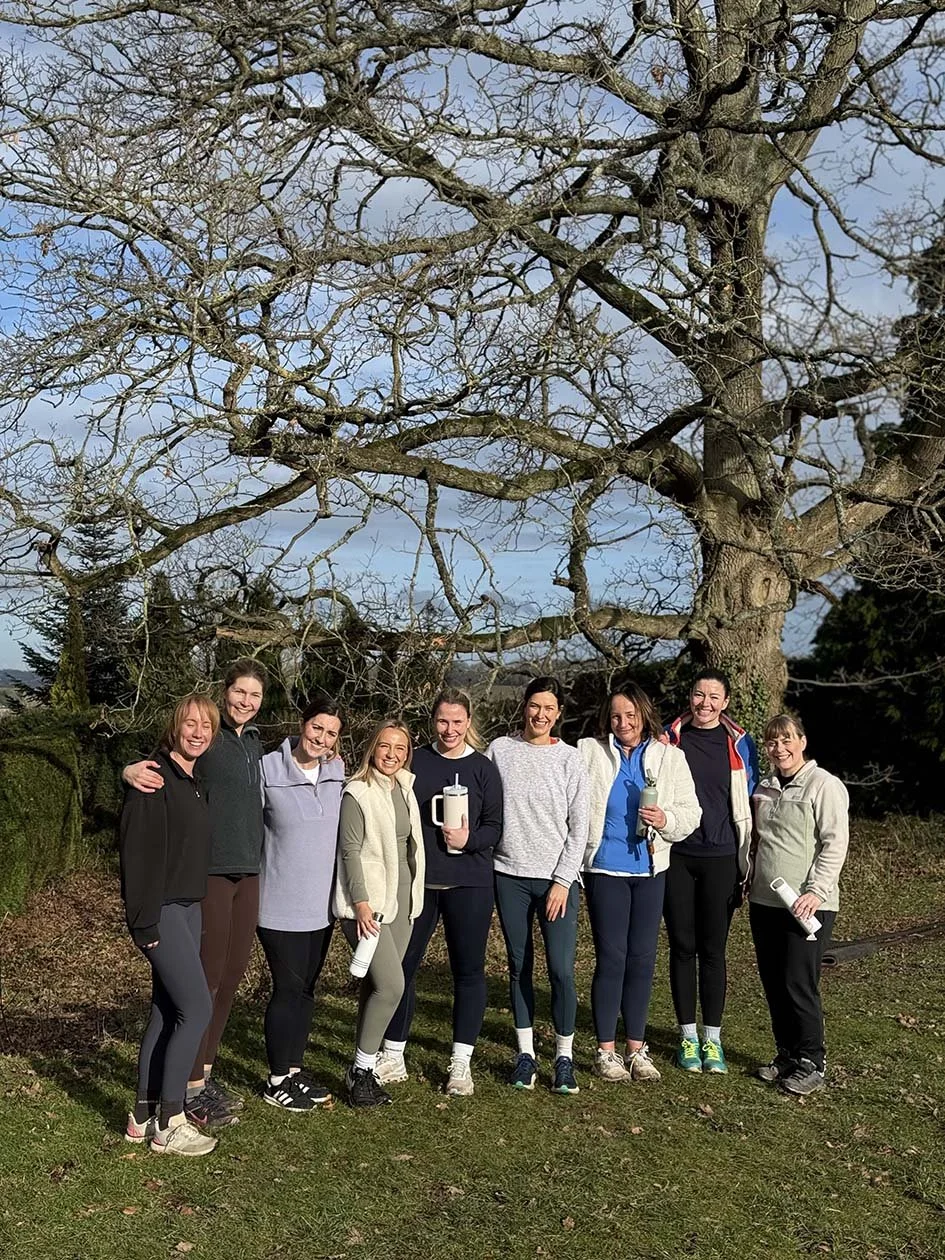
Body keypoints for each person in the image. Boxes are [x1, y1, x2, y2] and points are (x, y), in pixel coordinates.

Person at [122, 658, 268, 1126]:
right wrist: (127, 771)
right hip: (203, 878)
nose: (246, 701)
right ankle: (183, 1091)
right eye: (239, 692)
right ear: (224, 693)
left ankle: (200, 1076)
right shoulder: (209, 741)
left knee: (226, 980)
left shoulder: (256, 746)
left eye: (255, 695)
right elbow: (154, 771)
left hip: (247, 871)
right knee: (198, 988)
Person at [374, 689, 503, 1097]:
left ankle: (461, 1062)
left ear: (469, 723)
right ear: (433, 722)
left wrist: (468, 840)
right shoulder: (417, 762)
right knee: (404, 968)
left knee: (468, 971)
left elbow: (495, 827)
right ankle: (394, 1053)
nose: (450, 729)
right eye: (443, 721)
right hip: (419, 883)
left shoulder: (483, 768)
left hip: (470, 883)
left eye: (458, 722)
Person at [579, 683, 701, 1083]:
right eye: (616, 716)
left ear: (644, 716)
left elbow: (692, 813)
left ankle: (636, 1048)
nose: (623, 723)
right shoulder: (590, 752)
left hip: (650, 870)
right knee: (612, 958)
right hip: (605, 869)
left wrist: (666, 821)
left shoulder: (670, 758)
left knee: (643, 960)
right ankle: (605, 1051)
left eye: (631, 715)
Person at [120, 694, 220, 1157]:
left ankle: (142, 1113)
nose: (198, 732)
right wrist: (145, 924)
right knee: (196, 1009)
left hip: (188, 908)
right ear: (174, 727)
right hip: (162, 912)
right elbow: (136, 855)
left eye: (207, 725)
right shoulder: (154, 777)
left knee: (167, 1010)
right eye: (190, 724)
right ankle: (170, 1122)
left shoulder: (192, 779)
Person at [486, 676, 589, 1095]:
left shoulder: (570, 759)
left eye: (549, 708)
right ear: (523, 706)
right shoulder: (500, 751)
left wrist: (563, 880)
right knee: (519, 966)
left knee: (562, 970)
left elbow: (579, 827)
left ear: (558, 713)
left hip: (555, 881)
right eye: (534, 706)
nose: (540, 714)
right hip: (508, 874)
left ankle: (564, 1056)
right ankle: (525, 1054)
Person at [749, 713, 849, 1095]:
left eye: (787, 740)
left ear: (802, 741)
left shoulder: (824, 785)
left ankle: (812, 1061)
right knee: (774, 982)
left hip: (807, 905)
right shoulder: (766, 786)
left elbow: (834, 843)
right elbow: (759, 842)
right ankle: (787, 1054)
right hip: (765, 902)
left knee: (798, 982)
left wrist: (816, 891)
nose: (780, 748)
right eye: (773, 742)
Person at [664, 669, 759, 1073]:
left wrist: (752, 864)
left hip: (722, 855)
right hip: (677, 855)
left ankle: (713, 1040)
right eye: (699, 694)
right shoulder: (668, 739)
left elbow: (754, 800)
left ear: (726, 702)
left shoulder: (740, 744)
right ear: (690, 697)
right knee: (683, 948)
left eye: (713, 697)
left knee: (714, 951)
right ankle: (688, 1037)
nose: (705, 703)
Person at [256, 697, 345, 1112]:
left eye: (330, 734)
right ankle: (276, 1079)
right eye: (317, 728)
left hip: (320, 909)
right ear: (303, 723)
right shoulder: (268, 769)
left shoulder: (336, 772)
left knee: (306, 992)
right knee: (287, 989)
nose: (321, 739)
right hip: (278, 905)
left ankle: (293, 1070)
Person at [334, 718, 426, 1107]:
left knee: (377, 986)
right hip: (368, 903)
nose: (392, 755)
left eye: (400, 749)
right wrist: (361, 904)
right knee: (392, 986)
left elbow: (409, 847)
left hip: (403, 899)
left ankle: (361, 1071)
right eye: (385, 747)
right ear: (373, 748)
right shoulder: (357, 792)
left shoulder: (404, 788)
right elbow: (349, 851)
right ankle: (361, 1070)